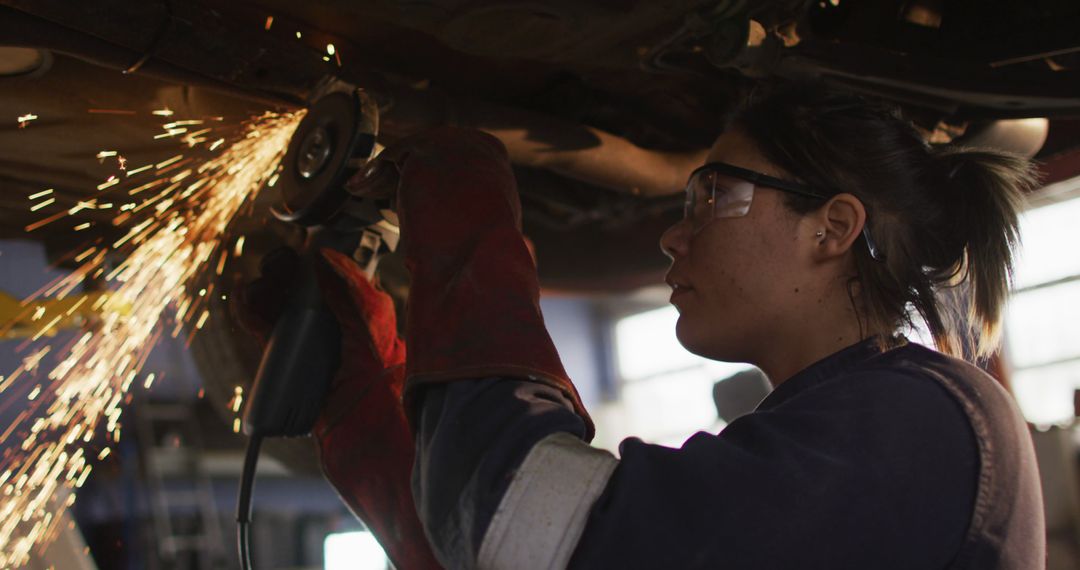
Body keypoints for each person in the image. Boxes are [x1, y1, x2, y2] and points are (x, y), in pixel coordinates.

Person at [241, 84, 1045, 569]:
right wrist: (364, 394)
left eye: (710, 196)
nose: (673, 232)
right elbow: (483, 543)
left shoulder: (924, 420)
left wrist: (465, 220)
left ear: (831, 228)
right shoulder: (841, 436)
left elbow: (519, 528)